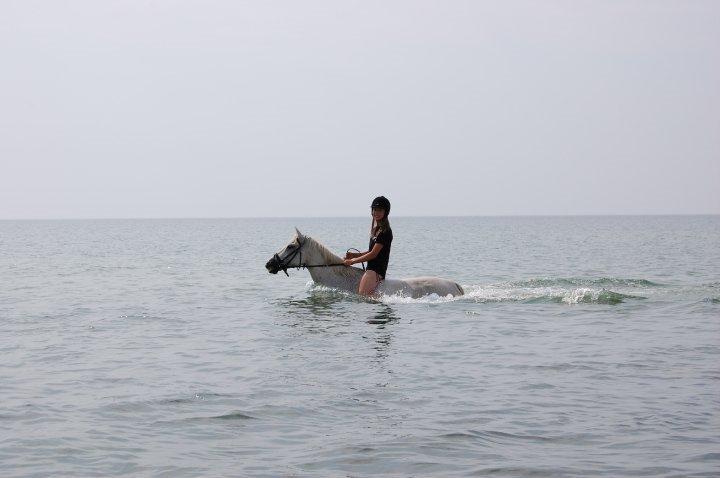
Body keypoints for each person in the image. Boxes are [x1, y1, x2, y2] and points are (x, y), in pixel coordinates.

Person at [343, 196, 393, 296]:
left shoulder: (385, 231)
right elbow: (371, 251)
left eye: (380, 210)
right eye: (375, 209)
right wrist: (354, 255)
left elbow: (373, 255)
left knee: (362, 296)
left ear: (385, 212)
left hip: (376, 271)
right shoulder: (375, 230)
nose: (376, 213)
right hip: (370, 268)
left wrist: (352, 261)